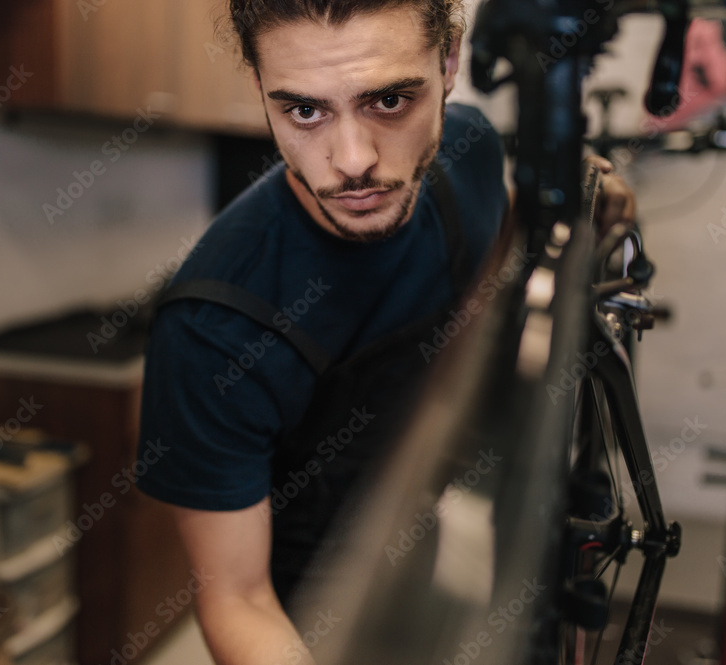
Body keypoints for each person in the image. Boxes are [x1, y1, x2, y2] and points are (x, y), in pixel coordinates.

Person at [135, 1, 635, 663]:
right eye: (304, 110)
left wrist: (571, 205)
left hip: (485, 560)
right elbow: (238, 599)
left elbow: (495, 272)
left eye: (390, 101)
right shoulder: (214, 329)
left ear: (449, 61)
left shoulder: (472, 150)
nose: (351, 160)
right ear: (259, 88)